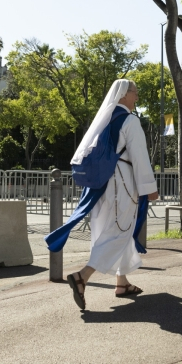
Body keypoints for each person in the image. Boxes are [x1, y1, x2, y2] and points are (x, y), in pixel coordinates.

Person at [66, 80, 159, 310]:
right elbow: (139, 158)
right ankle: (82, 277)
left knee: (119, 230)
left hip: (103, 184)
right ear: (124, 95)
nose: (137, 98)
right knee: (120, 230)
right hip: (122, 184)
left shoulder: (105, 119)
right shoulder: (130, 120)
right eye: (135, 93)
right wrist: (150, 188)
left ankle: (122, 282)